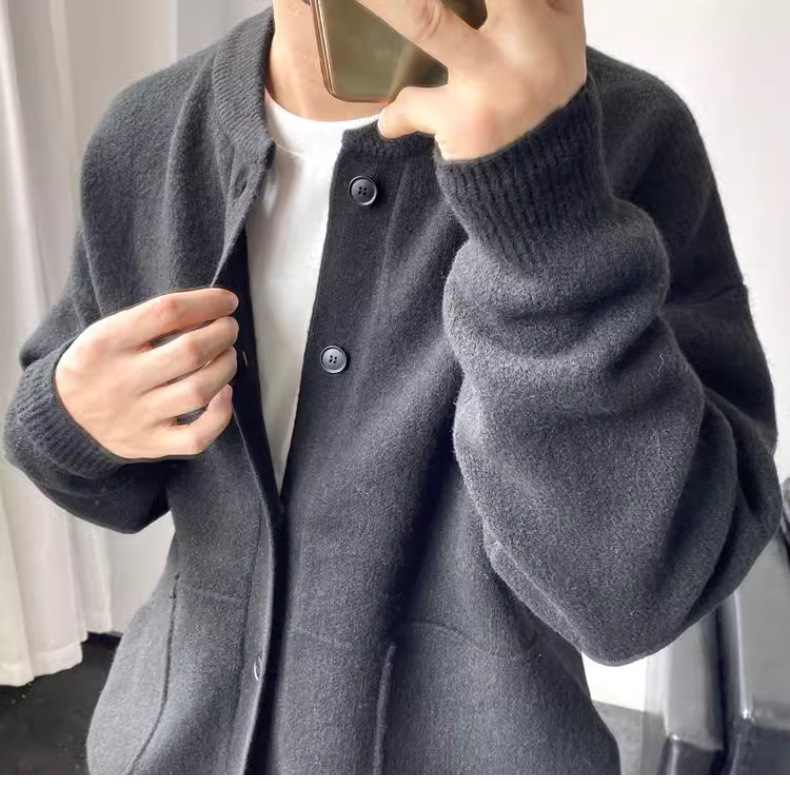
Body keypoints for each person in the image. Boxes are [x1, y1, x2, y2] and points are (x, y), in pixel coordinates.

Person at [2, 0, 782, 775]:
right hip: (166, 753)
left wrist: (542, 214)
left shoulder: (626, 131)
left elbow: (638, 595)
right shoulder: (144, 132)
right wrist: (69, 417)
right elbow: (102, 473)